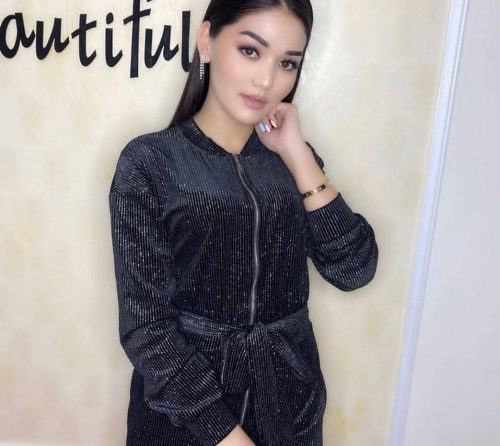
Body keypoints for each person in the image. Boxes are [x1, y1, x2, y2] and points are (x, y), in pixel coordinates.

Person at [108, 1, 379, 445]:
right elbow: (147, 329)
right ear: (206, 41)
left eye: (287, 63)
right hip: (186, 423)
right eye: (251, 51)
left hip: (289, 413)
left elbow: (354, 268)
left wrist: (297, 155)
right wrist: (227, 436)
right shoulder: (149, 163)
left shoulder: (293, 161)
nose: (267, 81)